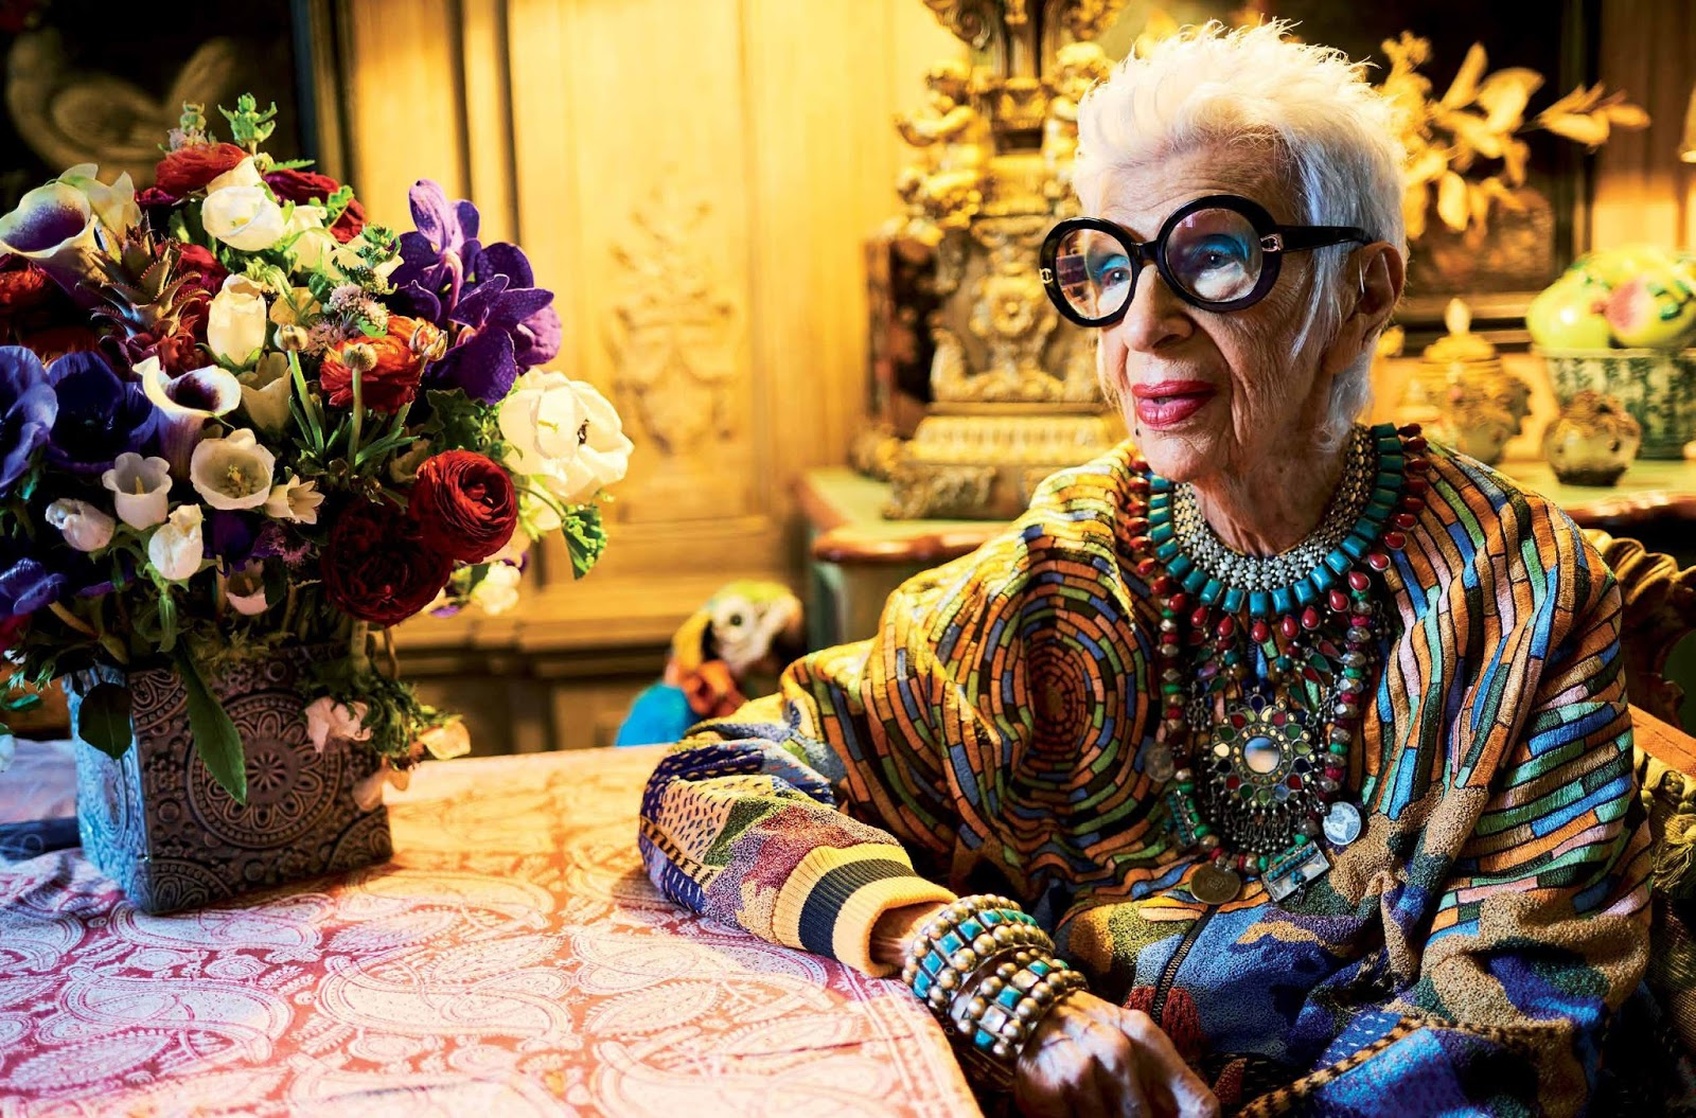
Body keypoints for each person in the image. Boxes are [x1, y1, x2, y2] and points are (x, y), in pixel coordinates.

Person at [639, 22, 1649, 1117]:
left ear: (1365, 290)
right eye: (1111, 267)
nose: (1143, 325)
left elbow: (1515, 1030)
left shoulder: (1514, 593)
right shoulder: (1061, 577)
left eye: (1215, 256)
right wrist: (976, 969)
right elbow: (704, 789)